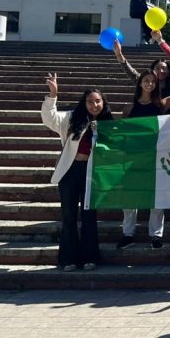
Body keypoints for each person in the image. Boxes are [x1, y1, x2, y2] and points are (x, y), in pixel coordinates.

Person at [117, 50, 170, 250]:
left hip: (157, 156)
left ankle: (156, 235)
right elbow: (120, 133)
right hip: (132, 157)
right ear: (140, 83)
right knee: (130, 198)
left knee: (157, 197)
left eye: (152, 81)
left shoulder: (162, 104)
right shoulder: (128, 109)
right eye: (146, 80)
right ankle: (127, 233)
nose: (149, 83)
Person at [41, 73, 111, 271]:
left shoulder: (109, 124)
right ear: (84, 103)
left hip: (93, 173)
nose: (94, 105)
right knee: (69, 215)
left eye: (98, 101)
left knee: (89, 214)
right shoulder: (72, 117)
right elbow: (50, 118)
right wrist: (53, 95)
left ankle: (90, 258)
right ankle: (68, 259)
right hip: (71, 171)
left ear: (103, 103)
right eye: (90, 101)